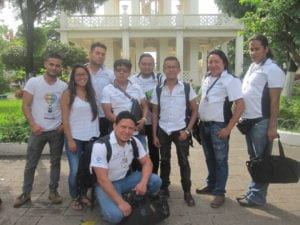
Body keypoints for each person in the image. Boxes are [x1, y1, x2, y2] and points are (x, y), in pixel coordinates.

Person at [236, 34, 285, 207]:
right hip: (249, 121)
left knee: (261, 160)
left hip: (262, 121)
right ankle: (253, 192)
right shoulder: (253, 67)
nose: (253, 52)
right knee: (255, 159)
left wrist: (272, 126)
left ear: (266, 49)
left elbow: (274, 101)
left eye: (257, 48)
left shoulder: (273, 69)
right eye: (251, 49)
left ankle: (257, 196)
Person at [14, 53, 67, 208]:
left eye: (57, 65)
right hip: (38, 131)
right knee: (31, 163)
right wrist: (33, 125)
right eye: (51, 64)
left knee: (55, 163)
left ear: (60, 68)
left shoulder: (63, 86)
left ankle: (53, 192)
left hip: (56, 132)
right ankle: (26, 193)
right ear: (45, 64)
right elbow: (25, 105)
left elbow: (65, 107)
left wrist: (63, 124)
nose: (54, 67)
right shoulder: (33, 82)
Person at [90, 111, 162, 224]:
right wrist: (121, 203)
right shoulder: (101, 146)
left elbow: (147, 162)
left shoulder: (134, 141)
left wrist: (143, 183)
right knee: (116, 216)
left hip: (126, 179)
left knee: (156, 181)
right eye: (123, 127)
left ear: (134, 130)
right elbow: (102, 179)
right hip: (106, 184)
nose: (127, 131)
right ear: (114, 126)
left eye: (131, 128)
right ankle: (106, 201)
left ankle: (136, 198)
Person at [195, 49, 244, 208]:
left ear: (224, 63)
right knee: (210, 159)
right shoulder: (207, 78)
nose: (213, 64)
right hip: (204, 126)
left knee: (221, 161)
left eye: (217, 61)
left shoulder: (230, 80)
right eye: (210, 61)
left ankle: (219, 193)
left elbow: (240, 105)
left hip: (219, 127)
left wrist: (229, 128)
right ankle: (211, 185)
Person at [151, 56, 198, 207]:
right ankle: (164, 188)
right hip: (163, 130)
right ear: (163, 70)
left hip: (180, 131)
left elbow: (195, 110)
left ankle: (187, 192)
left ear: (178, 69)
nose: (171, 69)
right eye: (167, 67)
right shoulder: (158, 90)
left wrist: (188, 130)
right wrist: (154, 135)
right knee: (164, 161)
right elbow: (154, 113)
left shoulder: (186, 87)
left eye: (174, 67)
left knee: (183, 162)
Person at [61, 65, 99, 210]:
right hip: (75, 138)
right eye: (78, 75)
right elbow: (65, 118)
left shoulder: (91, 92)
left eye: (84, 74)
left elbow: (94, 117)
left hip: (91, 138)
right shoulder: (68, 93)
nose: (82, 77)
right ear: (73, 77)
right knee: (75, 170)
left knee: (87, 169)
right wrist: (70, 139)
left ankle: (83, 195)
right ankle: (74, 197)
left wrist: (97, 138)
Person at [102, 59, 149, 149]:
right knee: (119, 160)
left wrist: (143, 119)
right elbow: (108, 114)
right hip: (119, 132)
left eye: (125, 71)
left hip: (137, 131)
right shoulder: (107, 89)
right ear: (114, 72)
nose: (121, 73)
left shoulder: (136, 87)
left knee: (141, 159)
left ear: (129, 73)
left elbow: (145, 105)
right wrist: (126, 124)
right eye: (118, 70)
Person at [131, 53, 164, 174]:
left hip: (154, 122)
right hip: (138, 122)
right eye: (144, 64)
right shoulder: (133, 79)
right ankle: (137, 176)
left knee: (154, 150)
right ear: (139, 64)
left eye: (150, 64)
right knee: (136, 150)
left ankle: (153, 176)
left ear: (154, 65)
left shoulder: (160, 78)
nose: (147, 66)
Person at [86, 42, 115, 137]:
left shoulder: (110, 75)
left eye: (103, 54)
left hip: (104, 117)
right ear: (90, 53)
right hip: (85, 116)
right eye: (97, 53)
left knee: (103, 147)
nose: (100, 56)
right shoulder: (80, 72)